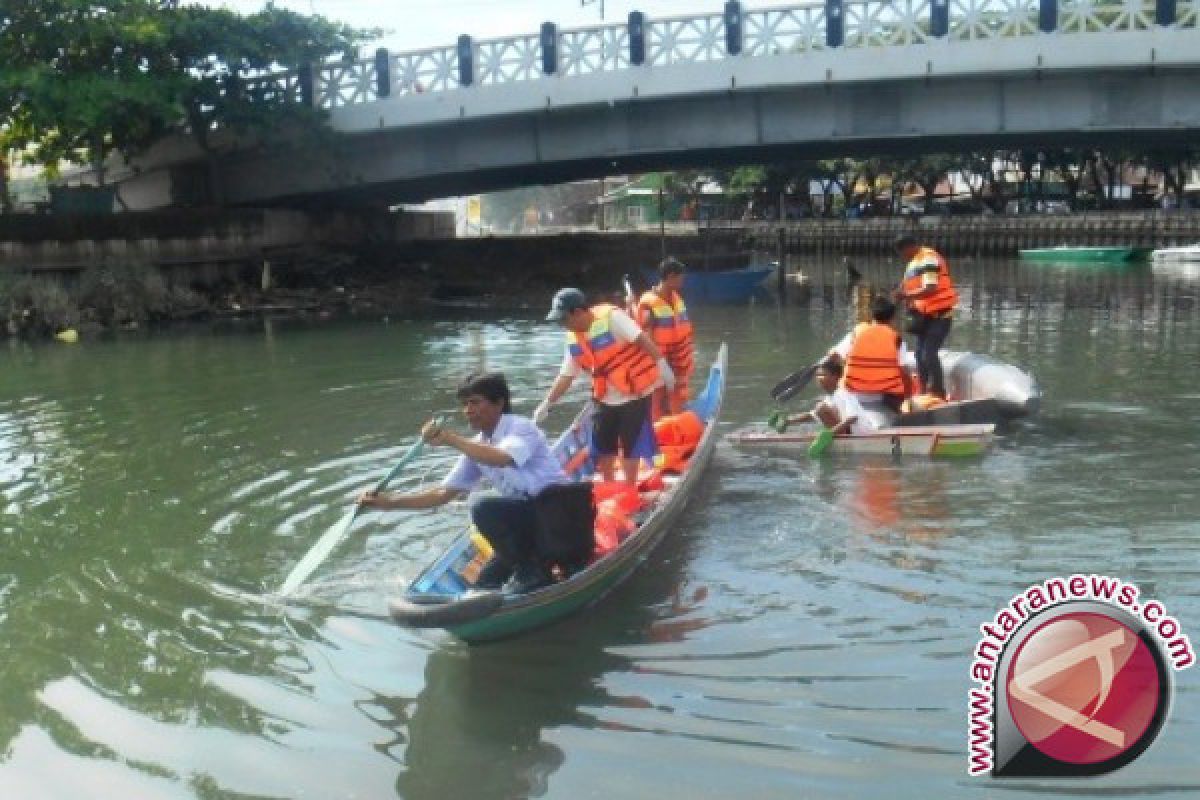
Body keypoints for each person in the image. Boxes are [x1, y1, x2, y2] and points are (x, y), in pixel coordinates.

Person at [358, 372, 591, 594]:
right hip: (532, 524)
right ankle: (529, 566)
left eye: (474, 403)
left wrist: (450, 438)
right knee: (484, 584)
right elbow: (442, 493)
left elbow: (502, 458)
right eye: (465, 405)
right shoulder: (477, 446)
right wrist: (390, 502)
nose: (468, 411)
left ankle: (536, 571)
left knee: (482, 507)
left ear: (499, 403)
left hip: (561, 519)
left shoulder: (521, 428)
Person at [535, 287, 672, 486]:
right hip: (604, 397)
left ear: (579, 312)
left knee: (631, 445)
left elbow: (642, 339)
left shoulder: (612, 318)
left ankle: (628, 488)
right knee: (602, 445)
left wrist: (662, 364)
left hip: (634, 394)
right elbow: (566, 375)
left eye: (564, 319)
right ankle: (609, 487)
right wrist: (547, 403)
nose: (564, 325)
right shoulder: (574, 338)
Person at [892, 235, 958, 398]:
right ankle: (922, 390)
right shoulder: (913, 263)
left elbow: (931, 288)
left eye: (901, 253)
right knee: (919, 355)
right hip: (923, 316)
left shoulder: (928, 258)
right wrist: (898, 296)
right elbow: (905, 287)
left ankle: (938, 390)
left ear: (908, 247)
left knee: (929, 353)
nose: (902, 257)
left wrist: (906, 296)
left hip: (940, 315)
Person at [635, 257, 694, 417]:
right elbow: (645, 338)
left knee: (678, 396)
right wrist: (660, 365)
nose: (683, 281)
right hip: (659, 361)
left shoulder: (677, 298)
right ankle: (658, 431)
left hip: (679, 360)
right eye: (680, 278)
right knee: (657, 398)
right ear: (670, 277)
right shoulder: (649, 304)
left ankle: (677, 425)